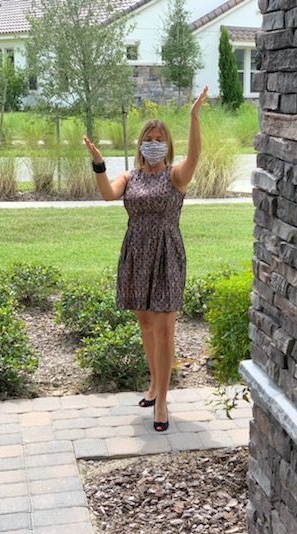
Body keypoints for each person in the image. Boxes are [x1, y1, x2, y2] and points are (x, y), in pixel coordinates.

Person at [84, 86, 208, 432]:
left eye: (159, 138)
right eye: (148, 138)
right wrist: (98, 162)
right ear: (140, 144)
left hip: (167, 252)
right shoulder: (131, 176)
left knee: (166, 327)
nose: (153, 143)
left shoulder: (175, 175)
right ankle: (154, 384)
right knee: (146, 322)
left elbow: (195, 156)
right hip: (136, 251)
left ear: (167, 145)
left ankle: (163, 402)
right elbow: (108, 194)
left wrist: (194, 118)